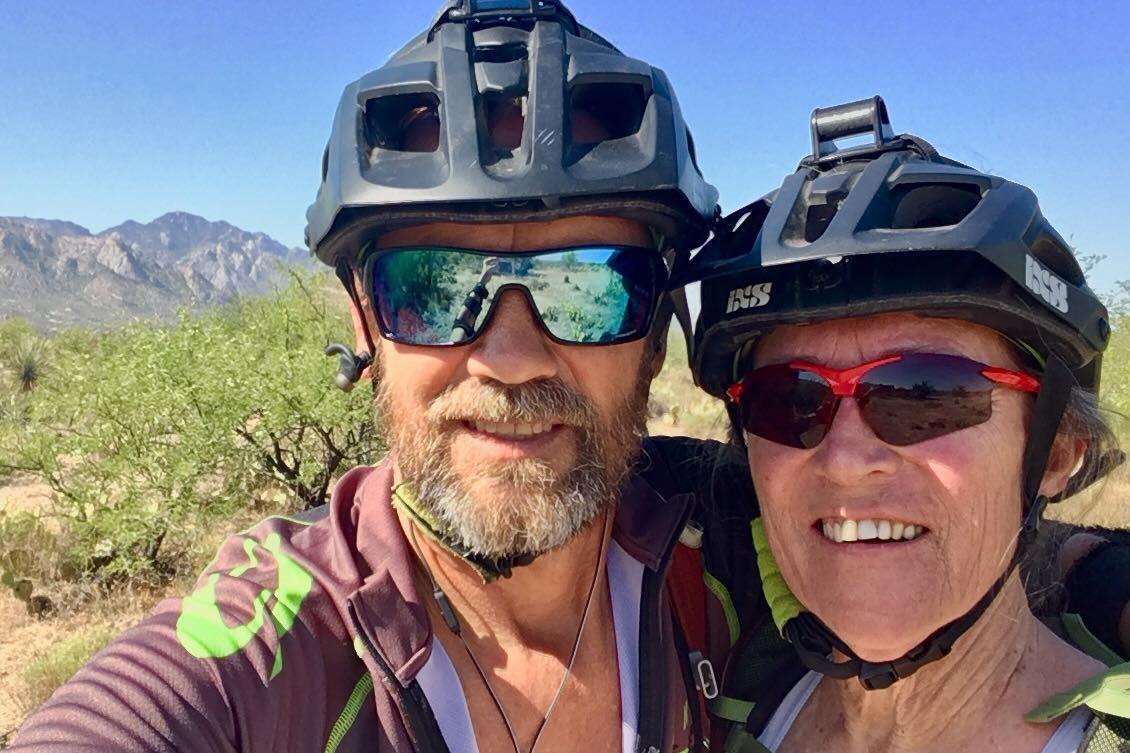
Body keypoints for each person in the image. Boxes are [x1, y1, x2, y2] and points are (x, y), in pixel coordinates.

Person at [681, 96, 1130, 752]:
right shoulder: (723, 683)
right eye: (788, 400)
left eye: (923, 394)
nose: (844, 459)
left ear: (1058, 450)